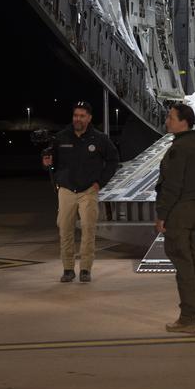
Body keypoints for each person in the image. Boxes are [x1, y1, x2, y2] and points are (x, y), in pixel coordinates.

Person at [156, 104, 195, 333]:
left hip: (180, 211)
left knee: (183, 264)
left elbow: (171, 186)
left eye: (171, 117)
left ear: (184, 121)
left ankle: (188, 318)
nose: (167, 121)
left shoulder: (179, 148)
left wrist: (162, 215)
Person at [42, 102, 119, 284]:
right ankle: (68, 269)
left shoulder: (99, 139)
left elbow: (113, 159)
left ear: (89, 118)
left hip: (88, 191)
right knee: (65, 230)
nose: (78, 119)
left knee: (88, 229)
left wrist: (100, 183)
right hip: (67, 190)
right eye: (76, 115)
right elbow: (52, 162)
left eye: (82, 116)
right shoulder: (61, 138)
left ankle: (85, 269)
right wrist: (47, 164)